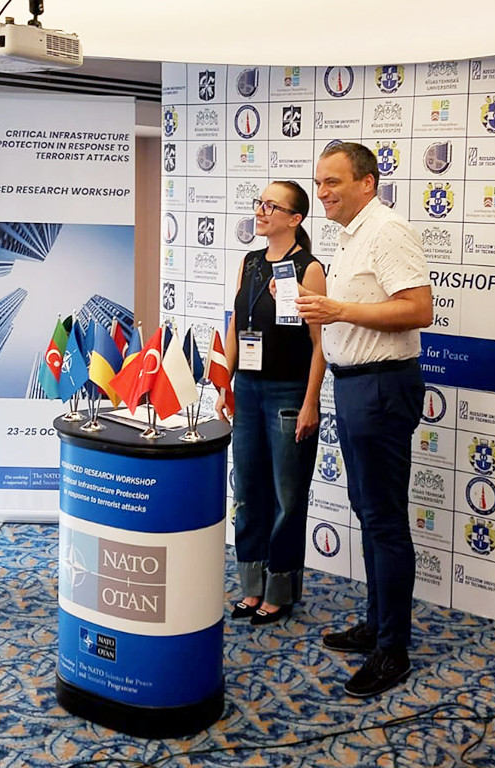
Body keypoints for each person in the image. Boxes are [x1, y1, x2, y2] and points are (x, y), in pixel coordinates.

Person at [295, 142, 432, 698]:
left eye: (332, 182)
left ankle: (392, 650)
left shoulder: (387, 230)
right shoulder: (350, 237)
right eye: (319, 183)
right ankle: (377, 626)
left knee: (384, 519)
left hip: (381, 386)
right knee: (368, 511)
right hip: (354, 386)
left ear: (367, 182)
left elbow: (419, 309)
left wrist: (339, 310)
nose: (322, 192)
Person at [216, 180, 327, 625]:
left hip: (288, 393)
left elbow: (320, 345)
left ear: (295, 219)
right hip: (246, 389)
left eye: (271, 206)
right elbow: (235, 326)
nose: (260, 211)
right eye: (259, 203)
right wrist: (225, 384)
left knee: (286, 496)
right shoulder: (249, 262)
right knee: (248, 492)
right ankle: (251, 585)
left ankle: (279, 589)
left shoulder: (309, 268)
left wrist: (310, 402)